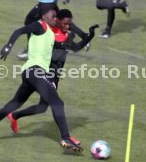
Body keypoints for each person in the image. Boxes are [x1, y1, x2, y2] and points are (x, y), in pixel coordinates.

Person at [0, 5, 83, 152]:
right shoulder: (39, 26)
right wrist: (9, 46)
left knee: (14, 104)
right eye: (53, 16)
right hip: (35, 72)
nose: (55, 19)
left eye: (56, 17)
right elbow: (19, 31)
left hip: (31, 74)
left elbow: (65, 45)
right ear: (44, 16)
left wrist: (80, 36)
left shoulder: (51, 34)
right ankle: (66, 137)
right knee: (57, 103)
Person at [7, 10, 98, 144]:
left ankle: (14, 115)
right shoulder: (51, 34)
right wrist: (66, 41)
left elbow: (77, 47)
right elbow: (55, 52)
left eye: (69, 24)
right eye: (66, 23)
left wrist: (90, 35)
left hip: (55, 75)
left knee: (43, 107)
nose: (68, 27)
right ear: (58, 21)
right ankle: (66, 137)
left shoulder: (64, 34)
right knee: (56, 103)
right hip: (46, 74)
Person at [18, 0, 90, 59]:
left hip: (49, 1)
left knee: (30, 21)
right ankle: (85, 36)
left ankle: (31, 50)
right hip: (44, 1)